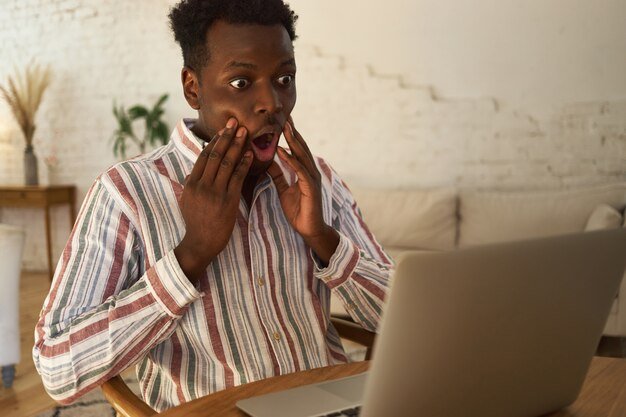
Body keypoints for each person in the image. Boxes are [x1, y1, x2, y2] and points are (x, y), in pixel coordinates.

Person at [33, 0, 392, 412]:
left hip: (330, 408)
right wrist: (191, 256)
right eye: (241, 82)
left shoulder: (317, 180)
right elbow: (57, 368)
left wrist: (323, 238)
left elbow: (409, 321)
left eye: (284, 78)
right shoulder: (127, 193)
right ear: (193, 87)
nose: (272, 103)